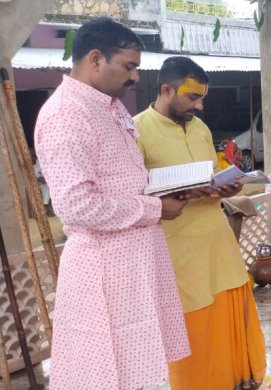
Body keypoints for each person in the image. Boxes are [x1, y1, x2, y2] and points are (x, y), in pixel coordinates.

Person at [33, 17, 190, 389]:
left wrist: (166, 190)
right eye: (129, 66)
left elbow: (119, 179)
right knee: (109, 374)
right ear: (95, 58)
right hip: (105, 273)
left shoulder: (109, 106)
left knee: (144, 370)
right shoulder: (65, 114)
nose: (135, 77)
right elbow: (76, 206)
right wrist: (154, 209)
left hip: (136, 264)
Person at [134, 57, 266, 389]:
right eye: (193, 97)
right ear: (166, 90)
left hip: (218, 241)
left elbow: (209, 178)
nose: (200, 105)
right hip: (178, 249)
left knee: (233, 311)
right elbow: (135, 194)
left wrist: (227, 186)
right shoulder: (137, 130)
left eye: (202, 97)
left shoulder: (201, 129)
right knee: (193, 327)